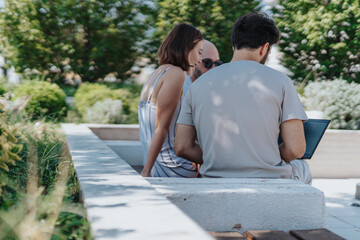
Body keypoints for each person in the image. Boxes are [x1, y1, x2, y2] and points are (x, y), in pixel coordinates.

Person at [174, 12, 312, 184]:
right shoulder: (281, 82)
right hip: (269, 179)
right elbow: (296, 149)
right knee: (303, 167)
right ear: (264, 48)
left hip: (214, 178)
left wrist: (220, 160)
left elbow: (182, 146)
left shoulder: (197, 85)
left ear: (234, 46)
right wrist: (263, 158)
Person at [138, 23, 204, 177]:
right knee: (224, 163)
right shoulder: (176, 74)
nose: (200, 59)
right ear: (187, 47)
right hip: (172, 167)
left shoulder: (156, 74)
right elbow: (161, 128)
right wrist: (145, 173)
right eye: (199, 52)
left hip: (157, 165)